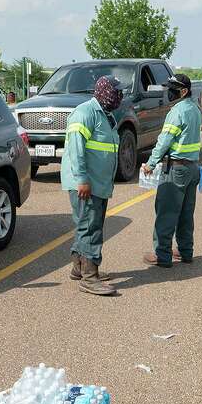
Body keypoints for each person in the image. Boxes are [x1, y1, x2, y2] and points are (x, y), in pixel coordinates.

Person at [61, 76, 122, 296]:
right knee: (90, 227)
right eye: (116, 92)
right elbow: (76, 149)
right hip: (86, 183)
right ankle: (90, 277)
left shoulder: (105, 115)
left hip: (97, 182)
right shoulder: (85, 113)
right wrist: (82, 179)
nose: (119, 96)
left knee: (86, 224)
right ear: (105, 91)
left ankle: (79, 268)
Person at [142, 74, 202, 268]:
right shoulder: (195, 109)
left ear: (183, 91)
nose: (169, 92)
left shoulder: (177, 112)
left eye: (172, 88)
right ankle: (186, 251)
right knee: (186, 213)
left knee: (167, 212)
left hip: (176, 169)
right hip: (192, 168)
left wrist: (150, 164)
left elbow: (165, 140)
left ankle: (162, 255)